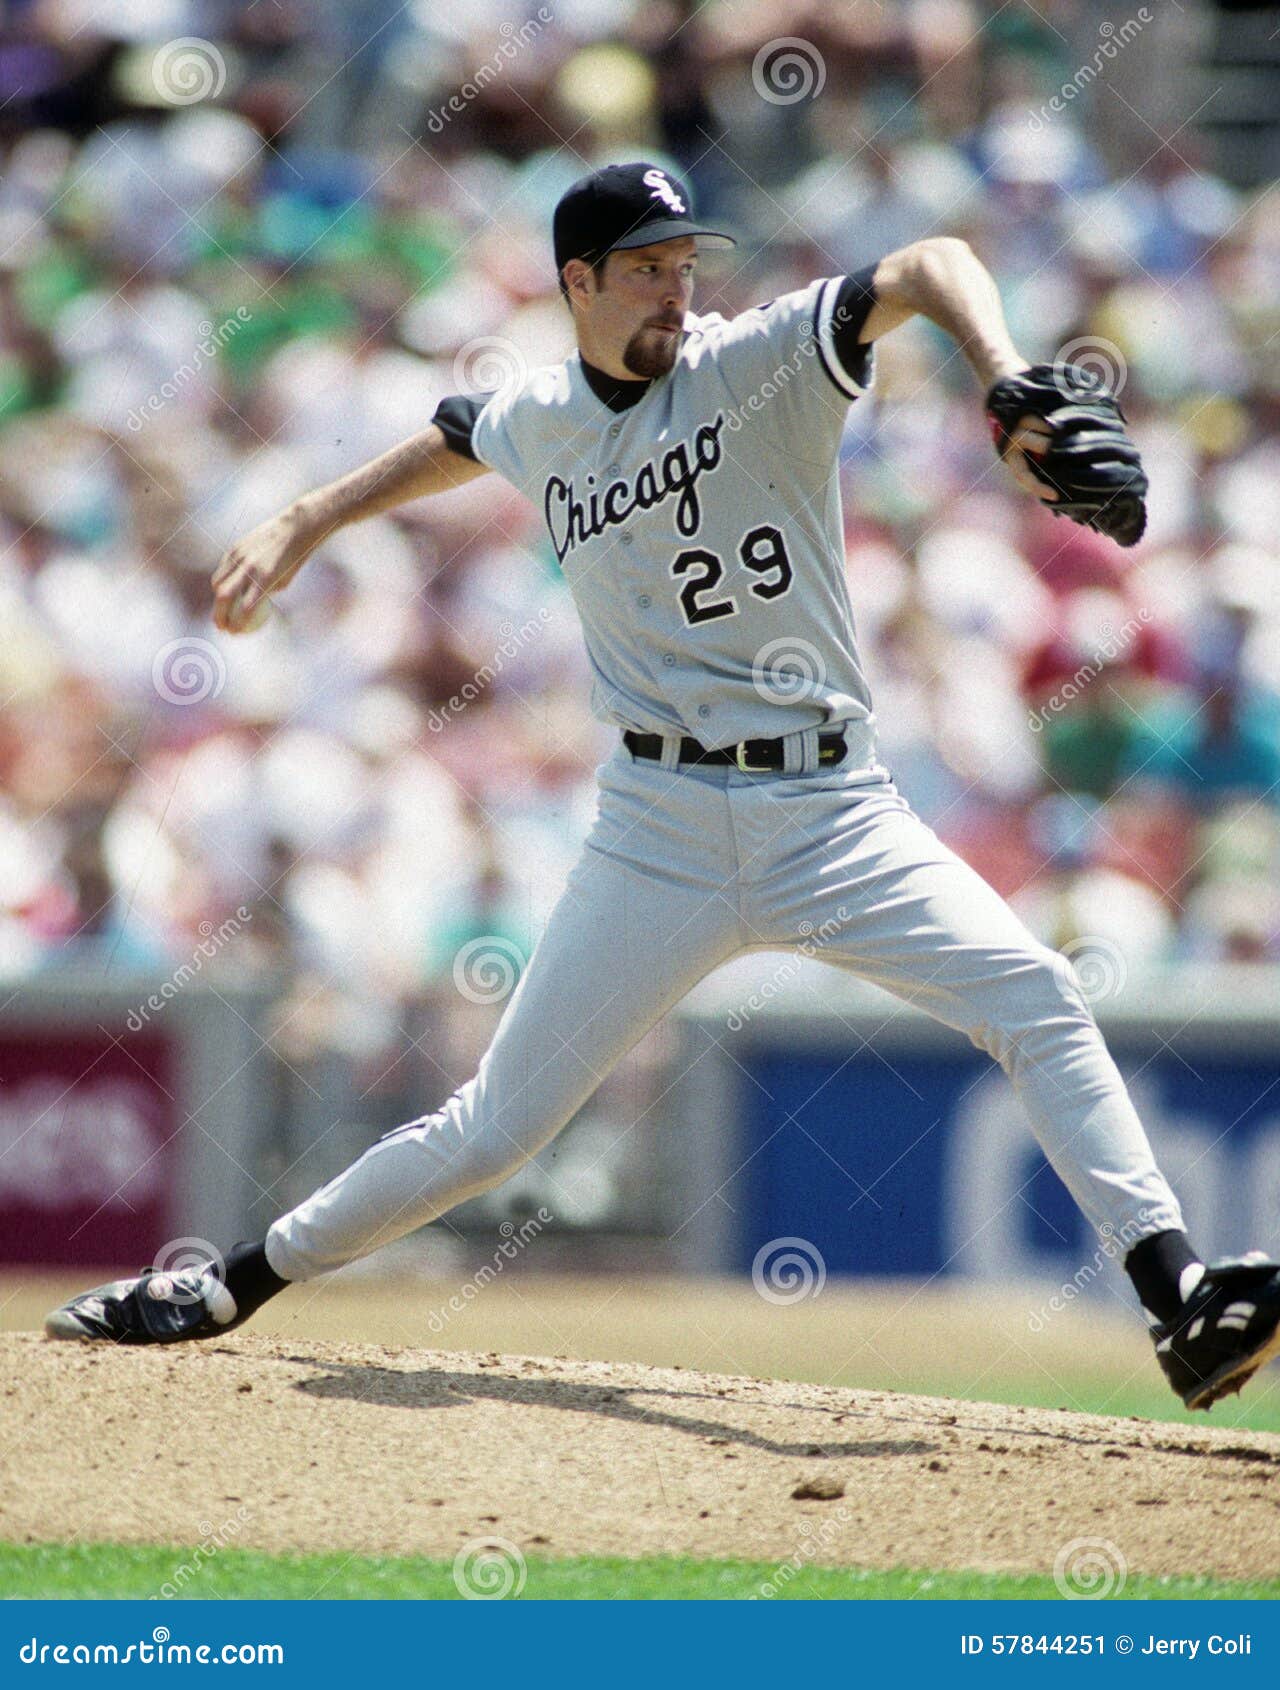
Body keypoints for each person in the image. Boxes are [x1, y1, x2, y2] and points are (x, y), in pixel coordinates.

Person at [46, 163, 1280, 1413]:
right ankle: (226, 1287)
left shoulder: (756, 363)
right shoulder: (540, 415)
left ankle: (1176, 1298)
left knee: (1034, 993)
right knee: (493, 1131)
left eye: (685, 263)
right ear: (575, 282)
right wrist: (306, 516)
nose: (676, 290)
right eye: (646, 267)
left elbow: (928, 263)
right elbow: (461, 434)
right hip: (657, 830)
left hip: (832, 812)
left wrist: (1001, 374)